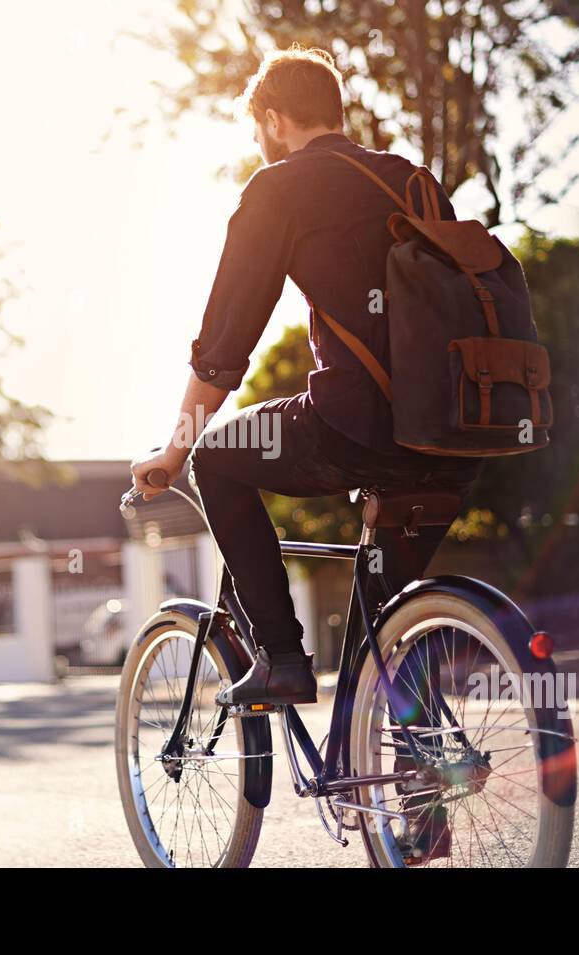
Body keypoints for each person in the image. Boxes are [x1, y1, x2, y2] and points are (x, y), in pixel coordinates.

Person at [130, 46, 480, 706]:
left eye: (258, 130)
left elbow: (224, 347)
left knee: (219, 462)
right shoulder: (413, 180)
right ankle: (411, 774)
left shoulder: (279, 187)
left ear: (273, 120)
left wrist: (175, 451)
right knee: (382, 634)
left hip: (361, 426)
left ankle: (283, 659)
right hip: (458, 432)